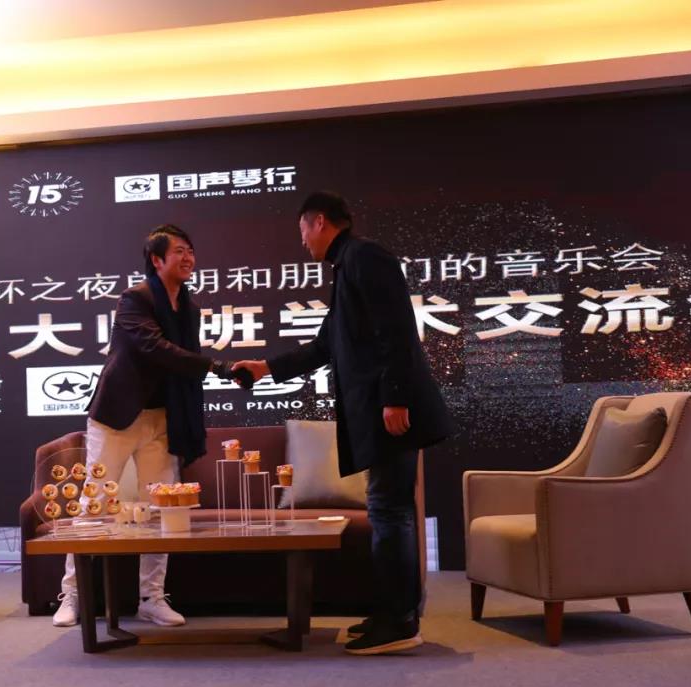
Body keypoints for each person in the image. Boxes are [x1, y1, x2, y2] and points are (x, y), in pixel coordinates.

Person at [234, 192, 452, 655]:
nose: (302, 242)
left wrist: (395, 398)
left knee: (390, 511)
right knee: (386, 509)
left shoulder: (365, 257)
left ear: (319, 222)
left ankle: (399, 622)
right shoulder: (347, 267)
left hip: (390, 412)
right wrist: (265, 368)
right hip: (377, 412)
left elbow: (397, 329)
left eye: (302, 231)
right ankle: (393, 612)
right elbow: (324, 347)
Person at [53, 224, 251, 627]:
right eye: (178, 251)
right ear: (157, 260)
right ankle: (73, 594)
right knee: (95, 504)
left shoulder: (189, 309)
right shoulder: (135, 299)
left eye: (190, 250)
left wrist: (213, 370)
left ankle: (151, 597)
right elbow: (154, 348)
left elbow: (181, 361)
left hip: (163, 419)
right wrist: (218, 367)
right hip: (117, 418)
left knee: (163, 509)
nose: (188, 257)